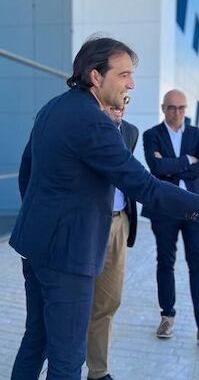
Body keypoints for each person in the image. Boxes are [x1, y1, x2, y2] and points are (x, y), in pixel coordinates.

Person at [9, 36, 199, 380]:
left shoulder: (53, 107)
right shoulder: (92, 121)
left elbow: (27, 173)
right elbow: (147, 187)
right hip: (67, 255)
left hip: (35, 244)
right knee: (68, 357)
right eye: (124, 74)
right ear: (96, 76)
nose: (132, 84)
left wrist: (45, 219)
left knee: (36, 339)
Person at [142, 89, 199, 345]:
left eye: (181, 108)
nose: (177, 112)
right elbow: (156, 167)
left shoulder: (196, 134)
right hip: (164, 209)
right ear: (163, 108)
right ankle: (167, 317)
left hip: (196, 208)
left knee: (198, 264)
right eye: (172, 107)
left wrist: (171, 166)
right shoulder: (152, 135)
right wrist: (187, 161)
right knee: (165, 262)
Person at [84, 100, 139, 380]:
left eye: (125, 100)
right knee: (75, 301)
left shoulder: (130, 132)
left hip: (119, 222)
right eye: (115, 99)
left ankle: (97, 371)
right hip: (86, 225)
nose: (120, 105)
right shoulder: (83, 127)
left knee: (108, 301)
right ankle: (63, 364)